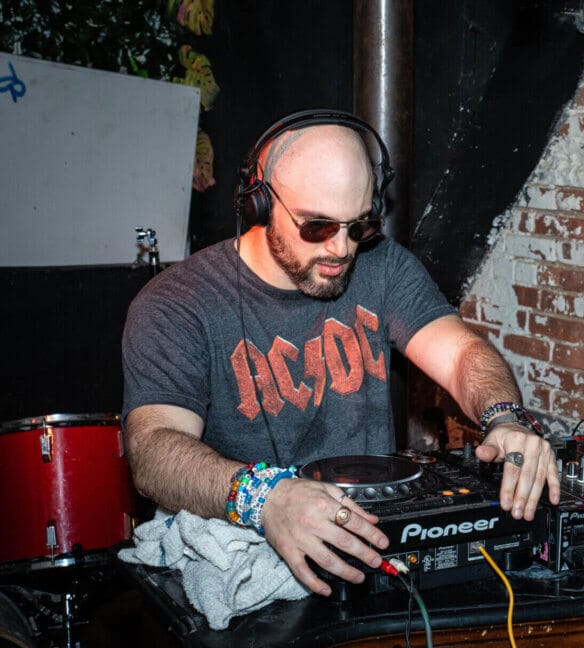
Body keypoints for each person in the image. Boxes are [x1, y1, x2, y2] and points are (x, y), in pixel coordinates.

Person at [121, 110, 560, 597]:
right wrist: (266, 498)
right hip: (251, 536)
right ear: (261, 201)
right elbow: (154, 449)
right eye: (317, 226)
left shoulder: (384, 267)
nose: (341, 249)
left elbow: (461, 354)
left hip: (374, 544)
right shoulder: (178, 303)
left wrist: (504, 417)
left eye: (359, 226)